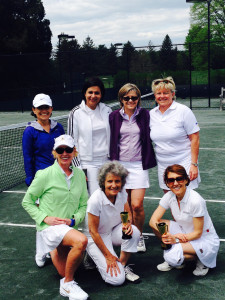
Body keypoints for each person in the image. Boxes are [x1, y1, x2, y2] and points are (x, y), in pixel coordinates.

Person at [22, 135, 89, 300]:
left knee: (65, 268)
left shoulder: (80, 175)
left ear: (75, 152)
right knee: (81, 241)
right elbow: (27, 202)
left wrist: (74, 220)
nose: (64, 153)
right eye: (60, 150)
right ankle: (67, 284)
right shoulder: (44, 174)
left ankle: (52, 249)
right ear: (54, 153)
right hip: (50, 228)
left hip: (68, 228)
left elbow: (84, 205)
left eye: (68, 150)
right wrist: (44, 218)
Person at [109, 83, 156, 252]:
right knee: (125, 205)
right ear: (121, 99)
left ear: (138, 99)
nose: (130, 100)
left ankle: (140, 235)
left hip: (138, 166)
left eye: (134, 97)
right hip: (120, 166)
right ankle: (130, 235)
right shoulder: (113, 116)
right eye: (126, 98)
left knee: (136, 205)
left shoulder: (145, 115)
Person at [149, 164, 220, 276]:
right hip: (185, 232)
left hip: (204, 240)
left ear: (186, 180)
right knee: (159, 225)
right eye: (171, 180)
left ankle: (203, 259)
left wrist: (175, 238)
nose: (175, 183)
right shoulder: (169, 196)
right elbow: (153, 220)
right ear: (167, 183)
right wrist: (166, 234)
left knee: (170, 257)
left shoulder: (195, 200)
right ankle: (180, 255)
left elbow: (197, 233)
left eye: (179, 179)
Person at [84, 161, 141, 285]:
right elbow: (93, 232)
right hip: (95, 237)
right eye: (110, 181)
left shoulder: (122, 193)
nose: (114, 185)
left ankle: (123, 265)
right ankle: (90, 254)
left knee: (134, 232)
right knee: (117, 280)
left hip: (112, 230)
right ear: (103, 182)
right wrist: (108, 256)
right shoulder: (95, 200)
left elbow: (128, 211)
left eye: (117, 181)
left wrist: (128, 224)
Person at [150, 77, 200, 192]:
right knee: (171, 200)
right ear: (155, 96)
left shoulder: (184, 111)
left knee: (186, 199)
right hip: (163, 165)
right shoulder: (151, 114)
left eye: (166, 93)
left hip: (184, 163)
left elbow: (195, 138)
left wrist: (194, 165)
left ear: (172, 94)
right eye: (159, 93)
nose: (162, 96)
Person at [67, 77, 112, 196]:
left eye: (97, 93)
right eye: (90, 92)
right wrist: (78, 168)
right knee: (93, 198)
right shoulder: (75, 113)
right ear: (84, 93)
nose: (93, 96)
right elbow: (71, 142)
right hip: (88, 164)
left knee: (108, 196)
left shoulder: (107, 110)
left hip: (106, 161)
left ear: (101, 94)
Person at [22, 93, 65, 187]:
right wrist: (30, 178)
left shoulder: (58, 127)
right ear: (34, 110)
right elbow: (28, 157)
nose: (44, 111)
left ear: (51, 109)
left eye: (47, 107)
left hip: (60, 175)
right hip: (41, 178)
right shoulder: (29, 131)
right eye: (40, 108)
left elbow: (65, 151)